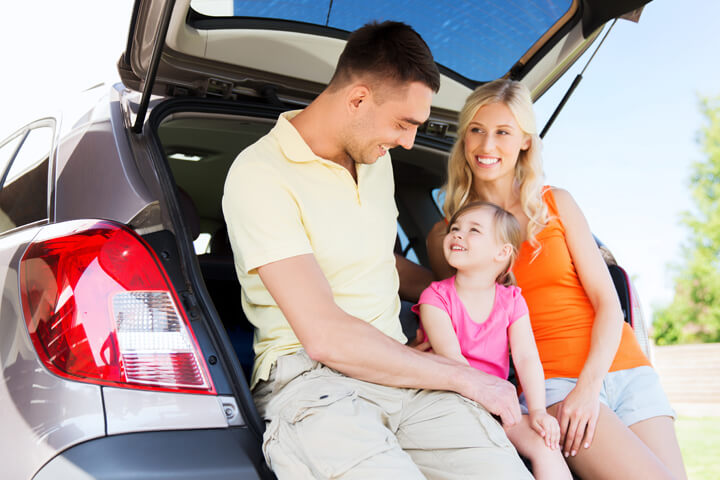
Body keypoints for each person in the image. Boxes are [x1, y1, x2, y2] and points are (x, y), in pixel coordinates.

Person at [222, 21, 532, 479]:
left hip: (405, 373)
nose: (408, 141)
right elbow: (324, 335)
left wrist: (450, 296)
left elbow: (373, 260)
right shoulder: (260, 174)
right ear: (358, 100)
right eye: (404, 124)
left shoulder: (376, 160)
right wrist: (464, 376)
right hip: (315, 383)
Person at [426, 78, 687, 480]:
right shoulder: (450, 236)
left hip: (626, 371)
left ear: (526, 141)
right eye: (476, 130)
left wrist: (590, 386)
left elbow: (607, 302)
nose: (487, 145)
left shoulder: (556, 203)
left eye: (503, 132)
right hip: (552, 385)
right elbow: (460, 315)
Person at [415, 201, 572, 480]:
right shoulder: (435, 298)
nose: (458, 234)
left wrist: (537, 411)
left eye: (473, 230)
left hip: (499, 406)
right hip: (452, 401)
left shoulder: (511, 300)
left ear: (502, 252)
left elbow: (525, 357)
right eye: (455, 229)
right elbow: (454, 362)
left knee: (545, 444)